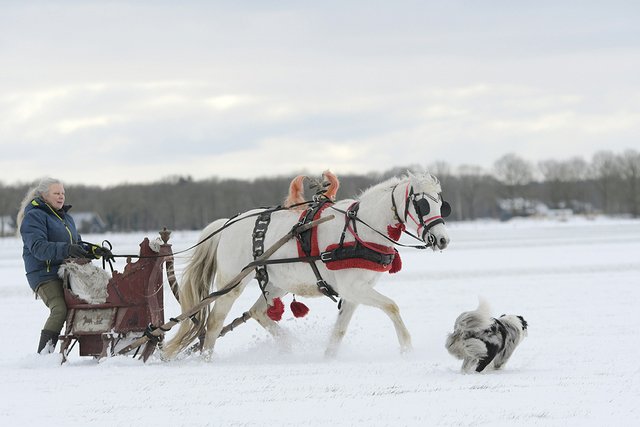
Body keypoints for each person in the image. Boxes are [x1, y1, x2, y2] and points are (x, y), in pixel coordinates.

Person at [17, 178, 111, 354]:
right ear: (44, 196)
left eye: (63, 193)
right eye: (56, 193)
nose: (61, 197)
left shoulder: (66, 217)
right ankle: (44, 355)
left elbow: (77, 245)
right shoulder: (34, 216)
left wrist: (95, 251)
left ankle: (98, 345)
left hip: (69, 273)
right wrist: (67, 249)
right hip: (44, 275)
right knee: (60, 309)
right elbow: (38, 248)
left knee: (95, 298)